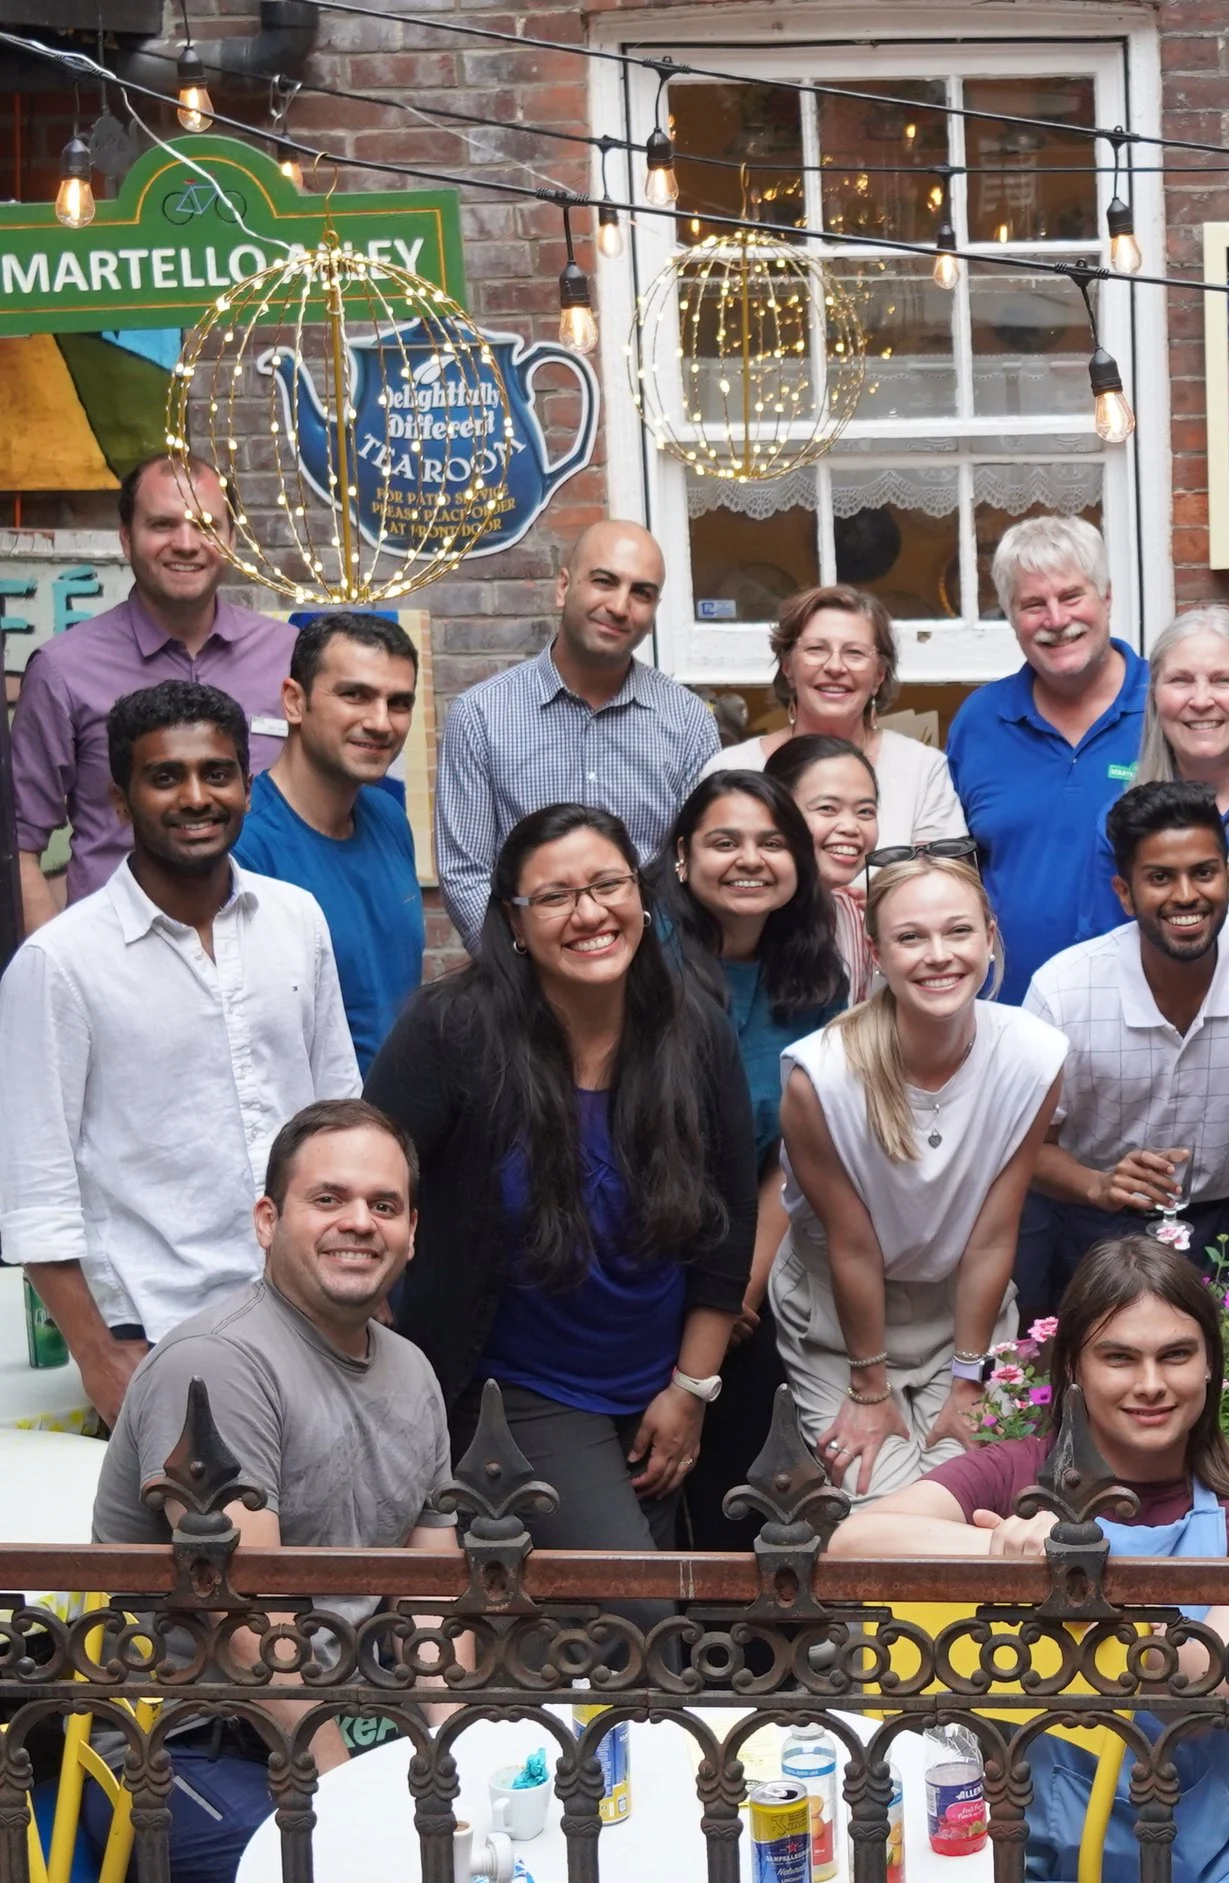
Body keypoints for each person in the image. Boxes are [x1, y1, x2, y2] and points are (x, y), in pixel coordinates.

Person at [828, 1235, 1229, 1883]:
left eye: (1175, 1355)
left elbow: (1202, 1695)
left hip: (1208, 1851)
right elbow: (853, 1544)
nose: (1151, 1383)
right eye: (1119, 1357)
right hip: (1008, 1847)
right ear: (1075, 1370)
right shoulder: (1016, 1470)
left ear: (1208, 1364)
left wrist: (1092, 1576)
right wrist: (1014, 1554)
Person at [364, 804, 753, 1578]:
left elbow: (727, 1223)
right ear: (513, 921)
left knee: (615, 1634)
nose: (589, 913)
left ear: (642, 896)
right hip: (518, 1388)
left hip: (657, 1380)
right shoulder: (452, 1034)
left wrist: (689, 1391)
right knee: (639, 1613)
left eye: (608, 884)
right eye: (554, 896)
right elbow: (374, 1186)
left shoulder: (694, 1030)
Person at [89, 1098, 458, 1881]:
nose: (359, 1220)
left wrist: (464, 1745)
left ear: (412, 1232)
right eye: (329, 1198)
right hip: (189, 1742)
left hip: (357, 1721)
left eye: (383, 1204)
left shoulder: (412, 1371)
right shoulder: (220, 1362)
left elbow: (434, 1599)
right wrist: (342, 1784)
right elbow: (240, 1612)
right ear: (267, 1218)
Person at [0, 680, 358, 1425]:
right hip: (158, 1339)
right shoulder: (60, 962)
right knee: (218, 1543)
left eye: (217, 773)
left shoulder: (296, 920)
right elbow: (37, 1193)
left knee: (332, 1539)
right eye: (166, 776)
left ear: (247, 787)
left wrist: (366, 1297)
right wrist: (99, 1358)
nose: (196, 796)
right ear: (121, 801)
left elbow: (341, 1124)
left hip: (311, 1316)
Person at [773, 855, 1064, 1498]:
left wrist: (968, 1379)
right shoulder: (819, 1077)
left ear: (989, 935)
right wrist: (867, 1389)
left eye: (958, 931)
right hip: (840, 1318)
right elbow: (853, 1245)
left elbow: (992, 1235)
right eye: (911, 937)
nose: (939, 955)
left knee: (970, 1499)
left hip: (965, 1312)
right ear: (876, 952)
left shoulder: (1034, 1055)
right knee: (887, 1509)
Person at [1021, 782, 1229, 1312]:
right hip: (1096, 1229)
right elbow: (1025, 1150)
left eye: (1203, 873)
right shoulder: (1063, 992)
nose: (1185, 895)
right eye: (1160, 878)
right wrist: (1098, 1185)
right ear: (1124, 892)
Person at [665, 771, 849, 1546]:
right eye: (724, 841)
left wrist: (741, 1279)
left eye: (772, 843)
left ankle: (731, 1645)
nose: (750, 859)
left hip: (750, 1248)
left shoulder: (814, 979)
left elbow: (792, 1153)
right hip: (642, 1241)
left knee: (741, 1468)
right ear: (681, 858)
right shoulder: (645, 959)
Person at [13, 456, 297, 925]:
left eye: (206, 525)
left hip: (263, 946)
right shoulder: (63, 669)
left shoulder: (287, 657)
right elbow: (21, 846)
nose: (186, 544)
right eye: (163, 525)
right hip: (116, 960)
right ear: (126, 538)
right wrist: (55, 969)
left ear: (229, 539)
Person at [433, 519, 720, 952]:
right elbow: (465, 872)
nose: (620, 607)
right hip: (521, 990)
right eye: (604, 582)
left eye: (641, 593)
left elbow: (695, 867)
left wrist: (659, 973)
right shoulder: (481, 715)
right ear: (564, 587)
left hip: (654, 982)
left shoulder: (688, 722)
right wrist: (520, 974)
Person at [946, 517, 1148, 1002]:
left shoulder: (1171, 704)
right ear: (1012, 618)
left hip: (1152, 1014)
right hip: (1010, 1016)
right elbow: (952, 869)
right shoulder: (980, 722)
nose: (1057, 620)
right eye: (1033, 605)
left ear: (1107, 598)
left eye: (1072, 596)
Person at [229, 611, 425, 1075]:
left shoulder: (387, 817)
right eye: (355, 695)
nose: (381, 723)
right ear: (294, 702)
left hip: (400, 1125)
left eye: (398, 703)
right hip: (313, 1135)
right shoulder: (244, 847)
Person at [703, 583, 966, 843]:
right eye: (816, 649)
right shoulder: (733, 770)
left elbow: (942, 877)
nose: (835, 666)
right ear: (787, 668)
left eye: (855, 653)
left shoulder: (923, 771)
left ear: (879, 676)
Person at [1127, 604, 1229, 836]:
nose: (1201, 701)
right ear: (1154, 695)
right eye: (1181, 680)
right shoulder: (1127, 823)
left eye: (1222, 680)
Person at [765, 734, 877, 992]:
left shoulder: (856, 919)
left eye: (865, 812)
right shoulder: (744, 916)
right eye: (827, 808)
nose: (851, 827)